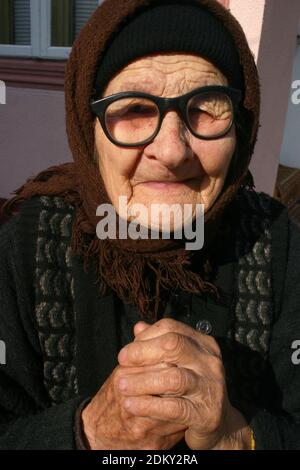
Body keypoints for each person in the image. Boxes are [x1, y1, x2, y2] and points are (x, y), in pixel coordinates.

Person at [0, 0, 300, 450]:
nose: (173, 150)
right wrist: (89, 433)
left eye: (205, 107)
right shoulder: (28, 243)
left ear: (241, 124)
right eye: (135, 106)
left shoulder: (278, 243)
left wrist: (238, 436)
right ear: (89, 128)